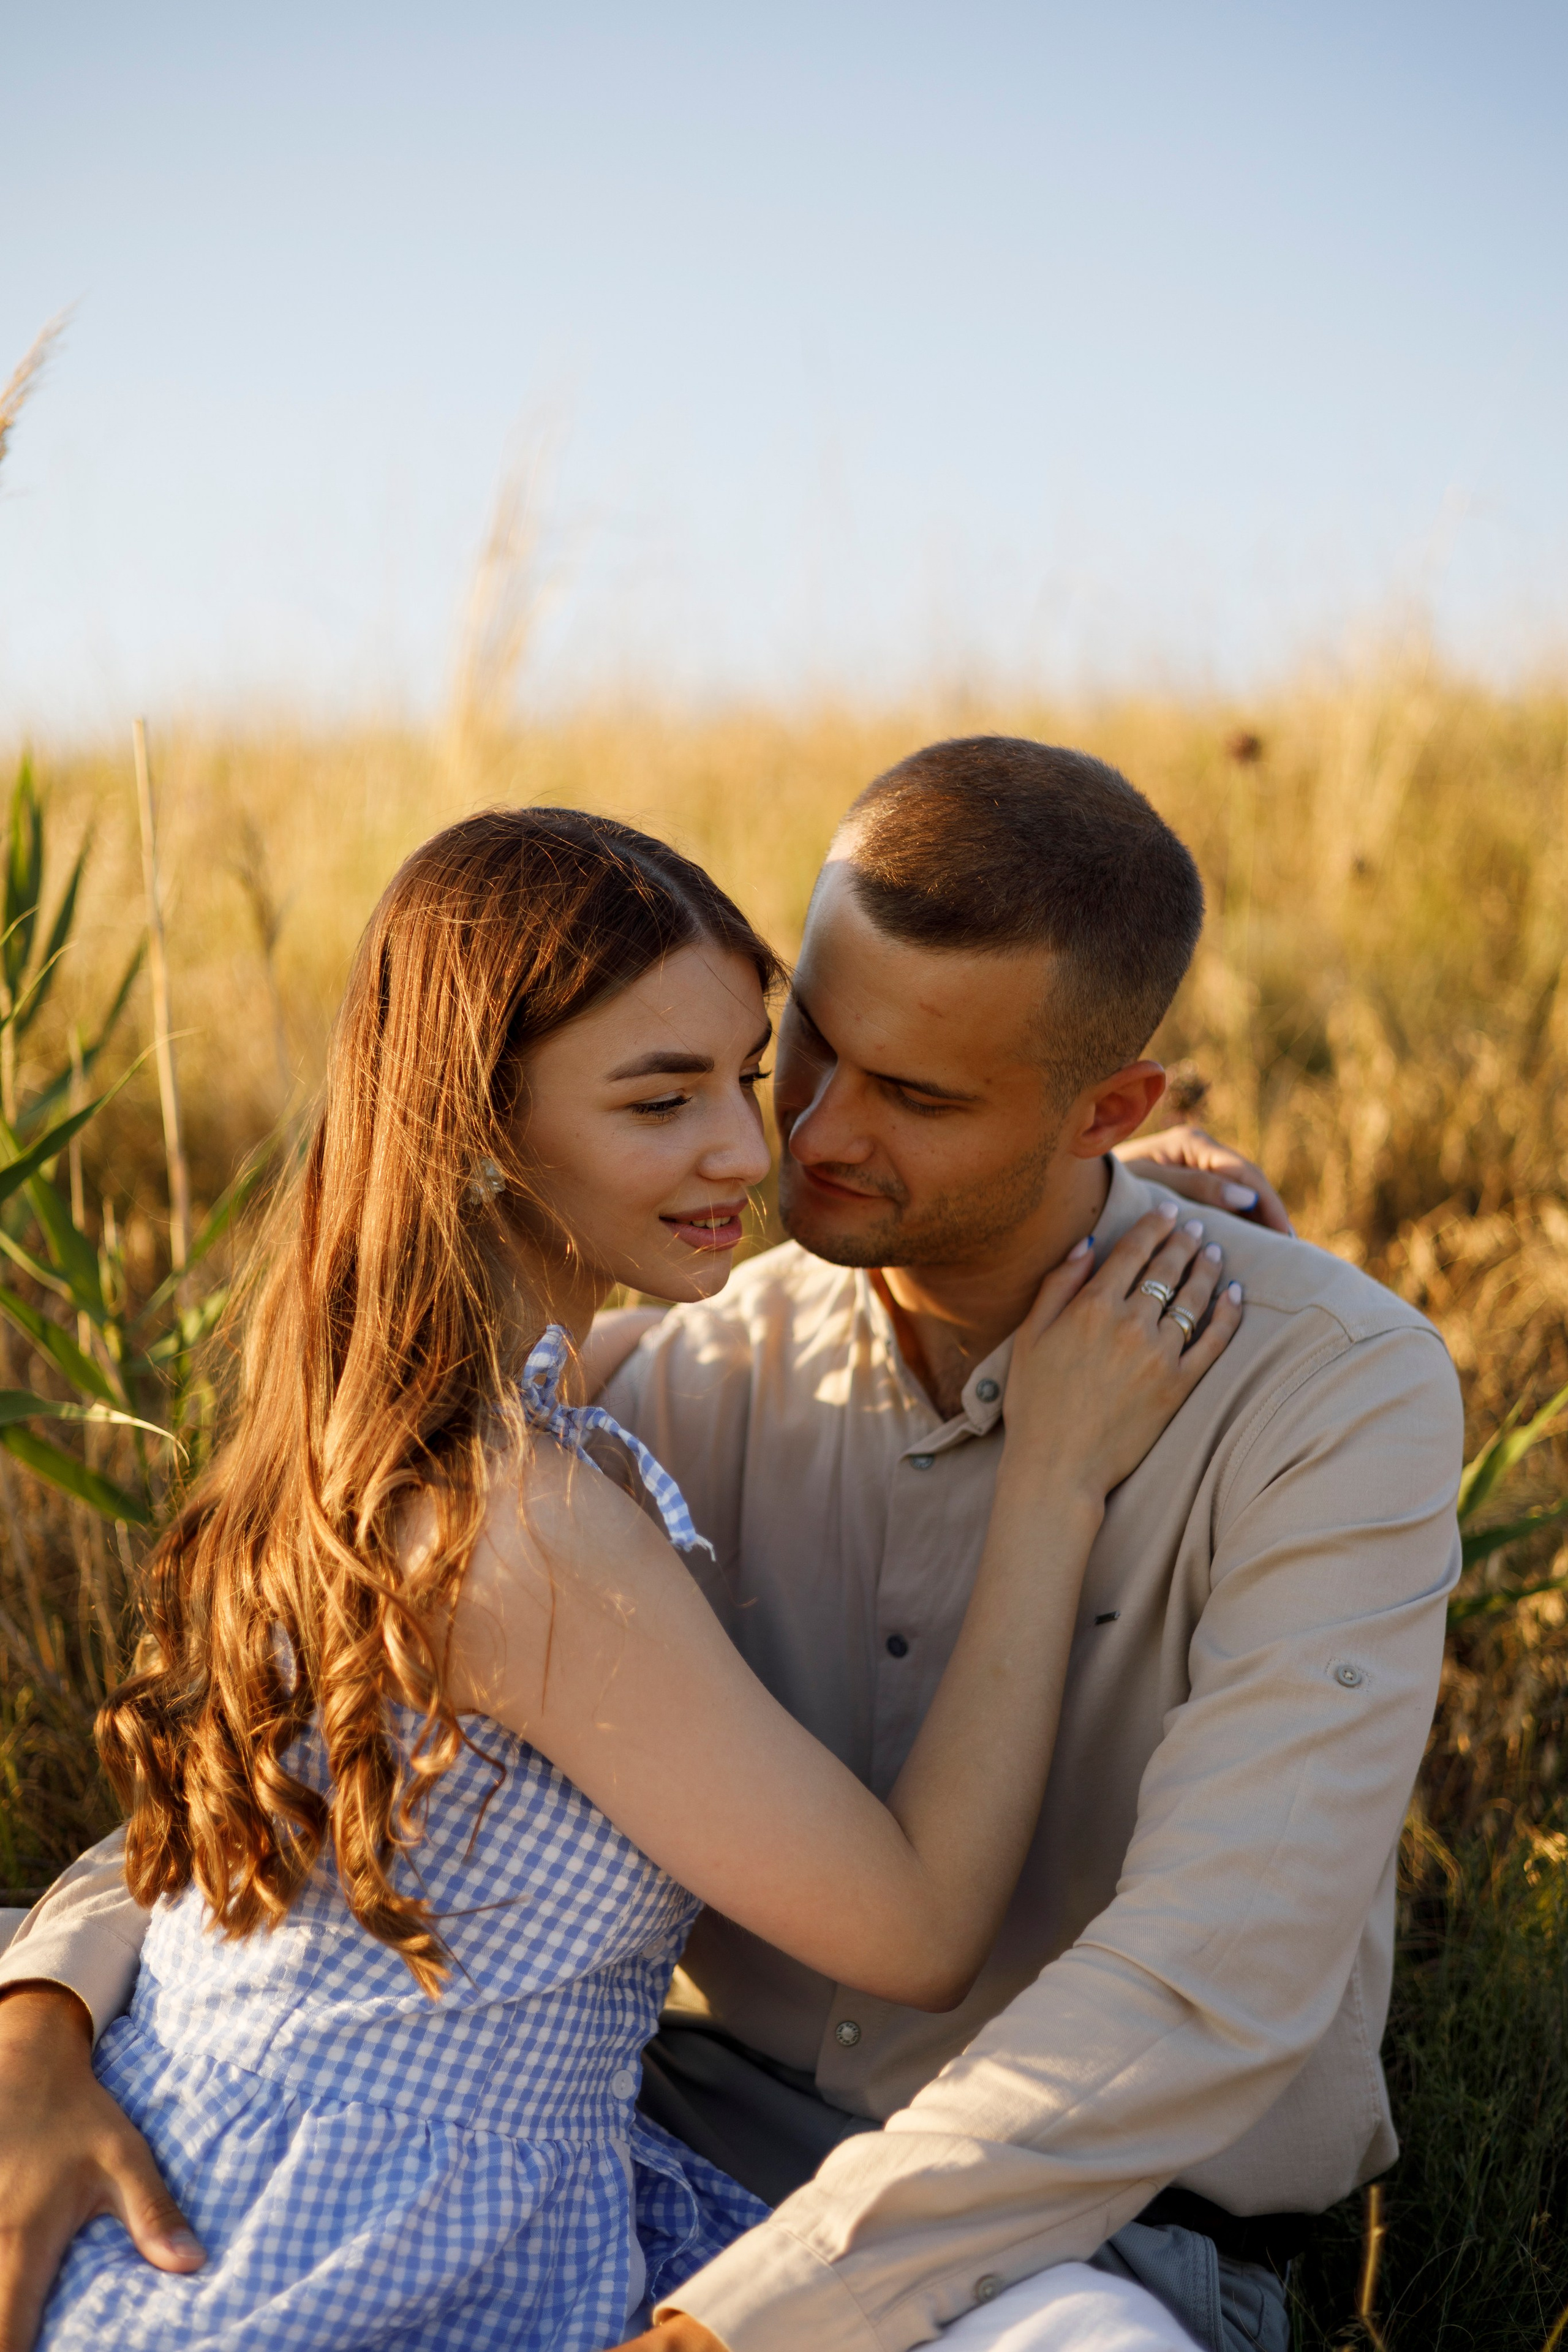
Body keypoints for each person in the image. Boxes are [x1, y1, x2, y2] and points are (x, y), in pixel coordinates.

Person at [0, 736, 1461, 2352]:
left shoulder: (1323, 1392)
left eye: (911, 1095)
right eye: (808, 1050)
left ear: (1107, 1112)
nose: (800, 1142)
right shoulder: (661, 1370)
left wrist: (733, 2331)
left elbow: (1209, 1988)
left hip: (1045, 2234)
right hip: (654, 2155)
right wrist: (41, 2017)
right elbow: (300, 1740)